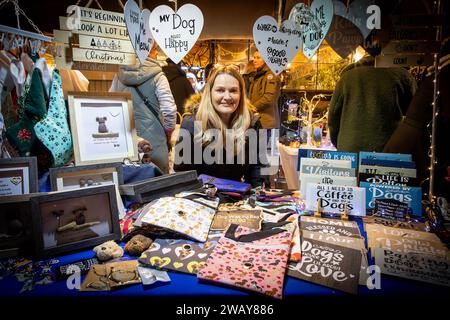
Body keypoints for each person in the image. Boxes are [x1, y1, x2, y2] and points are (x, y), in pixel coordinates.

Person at [173, 65, 267, 186]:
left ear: (241, 94)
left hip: (238, 198)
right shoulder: (191, 124)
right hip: (202, 199)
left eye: (233, 91)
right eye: (220, 90)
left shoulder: (253, 123)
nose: (227, 97)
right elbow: (183, 174)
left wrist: (255, 197)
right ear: (209, 93)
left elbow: (258, 169)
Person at [384, 38, 450, 199]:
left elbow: (412, 121)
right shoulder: (408, 76)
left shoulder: (437, 74)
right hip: (421, 147)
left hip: (417, 148)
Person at [110, 44, 177, 173]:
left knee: (129, 181)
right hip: (153, 144)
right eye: (156, 50)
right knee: (157, 183)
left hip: (126, 141)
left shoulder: (119, 76)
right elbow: (169, 110)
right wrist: (168, 131)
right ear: (152, 51)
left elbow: (111, 104)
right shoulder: (159, 76)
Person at [328, 55, 417, 152]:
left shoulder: (346, 78)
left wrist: (341, 143)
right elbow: (415, 117)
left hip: (350, 150)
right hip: (389, 150)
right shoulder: (402, 76)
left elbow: (333, 119)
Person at [247, 51, 281, 129]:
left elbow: (268, 98)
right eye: (254, 58)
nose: (254, 60)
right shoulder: (259, 75)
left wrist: (250, 108)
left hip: (266, 123)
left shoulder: (271, 75)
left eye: (258, 58)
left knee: (262, 141)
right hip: (258, 121)